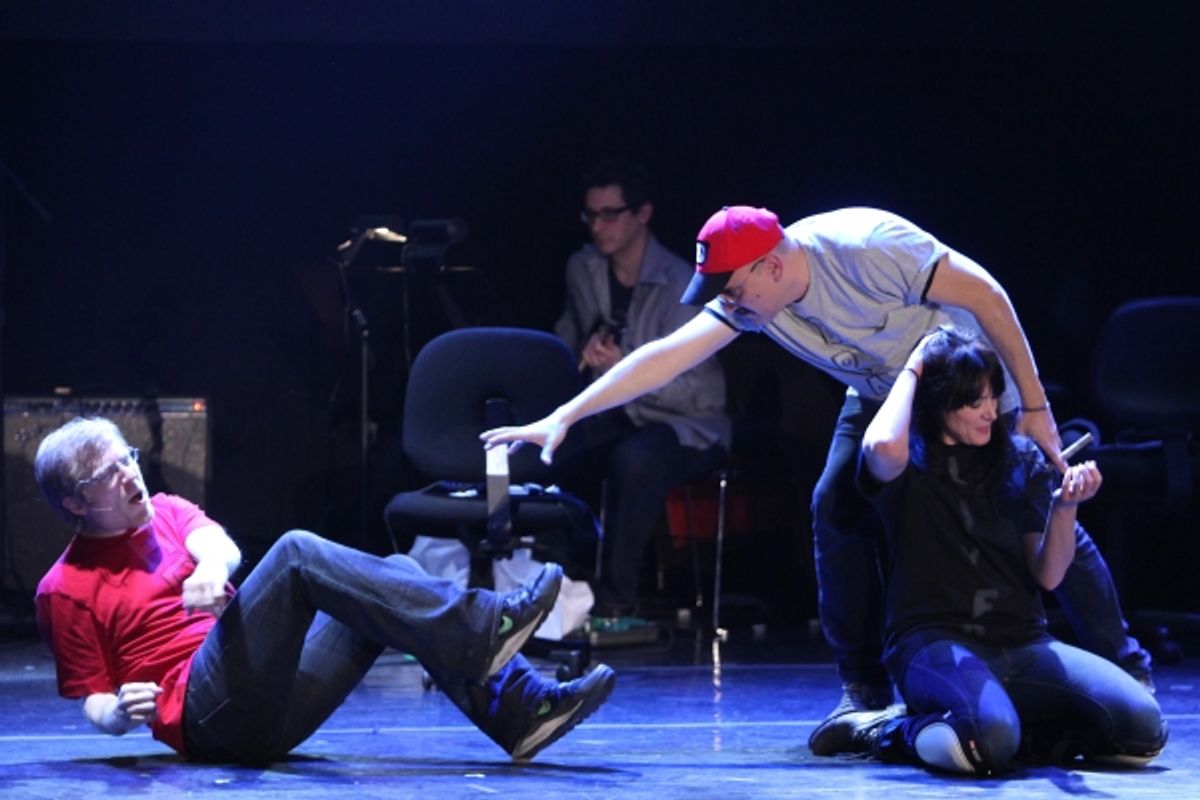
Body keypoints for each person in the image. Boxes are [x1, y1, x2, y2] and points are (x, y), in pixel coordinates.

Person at [480, 205, 1151, 722]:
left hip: (966, 382)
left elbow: (986, 295)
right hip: (887, 392)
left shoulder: (866, 245)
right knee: (835, 507)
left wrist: (1031, 405)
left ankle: (1124, 660)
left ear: (772, 265)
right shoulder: (756, 300)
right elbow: (669, 354)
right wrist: (565, 414)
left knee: (1042, 498)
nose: (730, 305)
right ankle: (862, 687)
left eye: (734, 288)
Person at [33, 416, 615, 764]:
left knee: (399, 573)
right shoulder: (63, 588)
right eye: (107, 474)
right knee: (295, 554)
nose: (129, 474)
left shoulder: (166, 510)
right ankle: (484, 627)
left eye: (127, 458)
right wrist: (117, 715)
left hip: (267, 699)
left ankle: (521, 713)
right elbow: (91, 695)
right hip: (206, 720)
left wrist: (213, 566)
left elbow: (219, 545)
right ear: (74, 503)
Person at [805, 326, 1166, 774]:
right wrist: (918, 361)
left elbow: (1049, 576)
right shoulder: (908, 464)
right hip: (933, 642)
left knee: (1143, 730)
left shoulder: (1021, 460)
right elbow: (879, 445)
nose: (991, 412)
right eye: (974, 402)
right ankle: (883, 730)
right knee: (987, 743)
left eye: (993, 398)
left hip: (1023, 643)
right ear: (940, 403)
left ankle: (999, 728)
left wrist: (1066, 507)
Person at [552, 158, 729, 620]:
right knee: (557, 449)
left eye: (611, 214)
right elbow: (568, 335)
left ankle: (615, 602)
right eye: (592, 215)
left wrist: (625, 371)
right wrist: (583, 355)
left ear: (642, 214)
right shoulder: (584, 269)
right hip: (620, 413)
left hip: (687, 421)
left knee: (636, 458)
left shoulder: (680, 284)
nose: (599, 226)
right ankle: (558, 590)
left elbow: (695, 391)